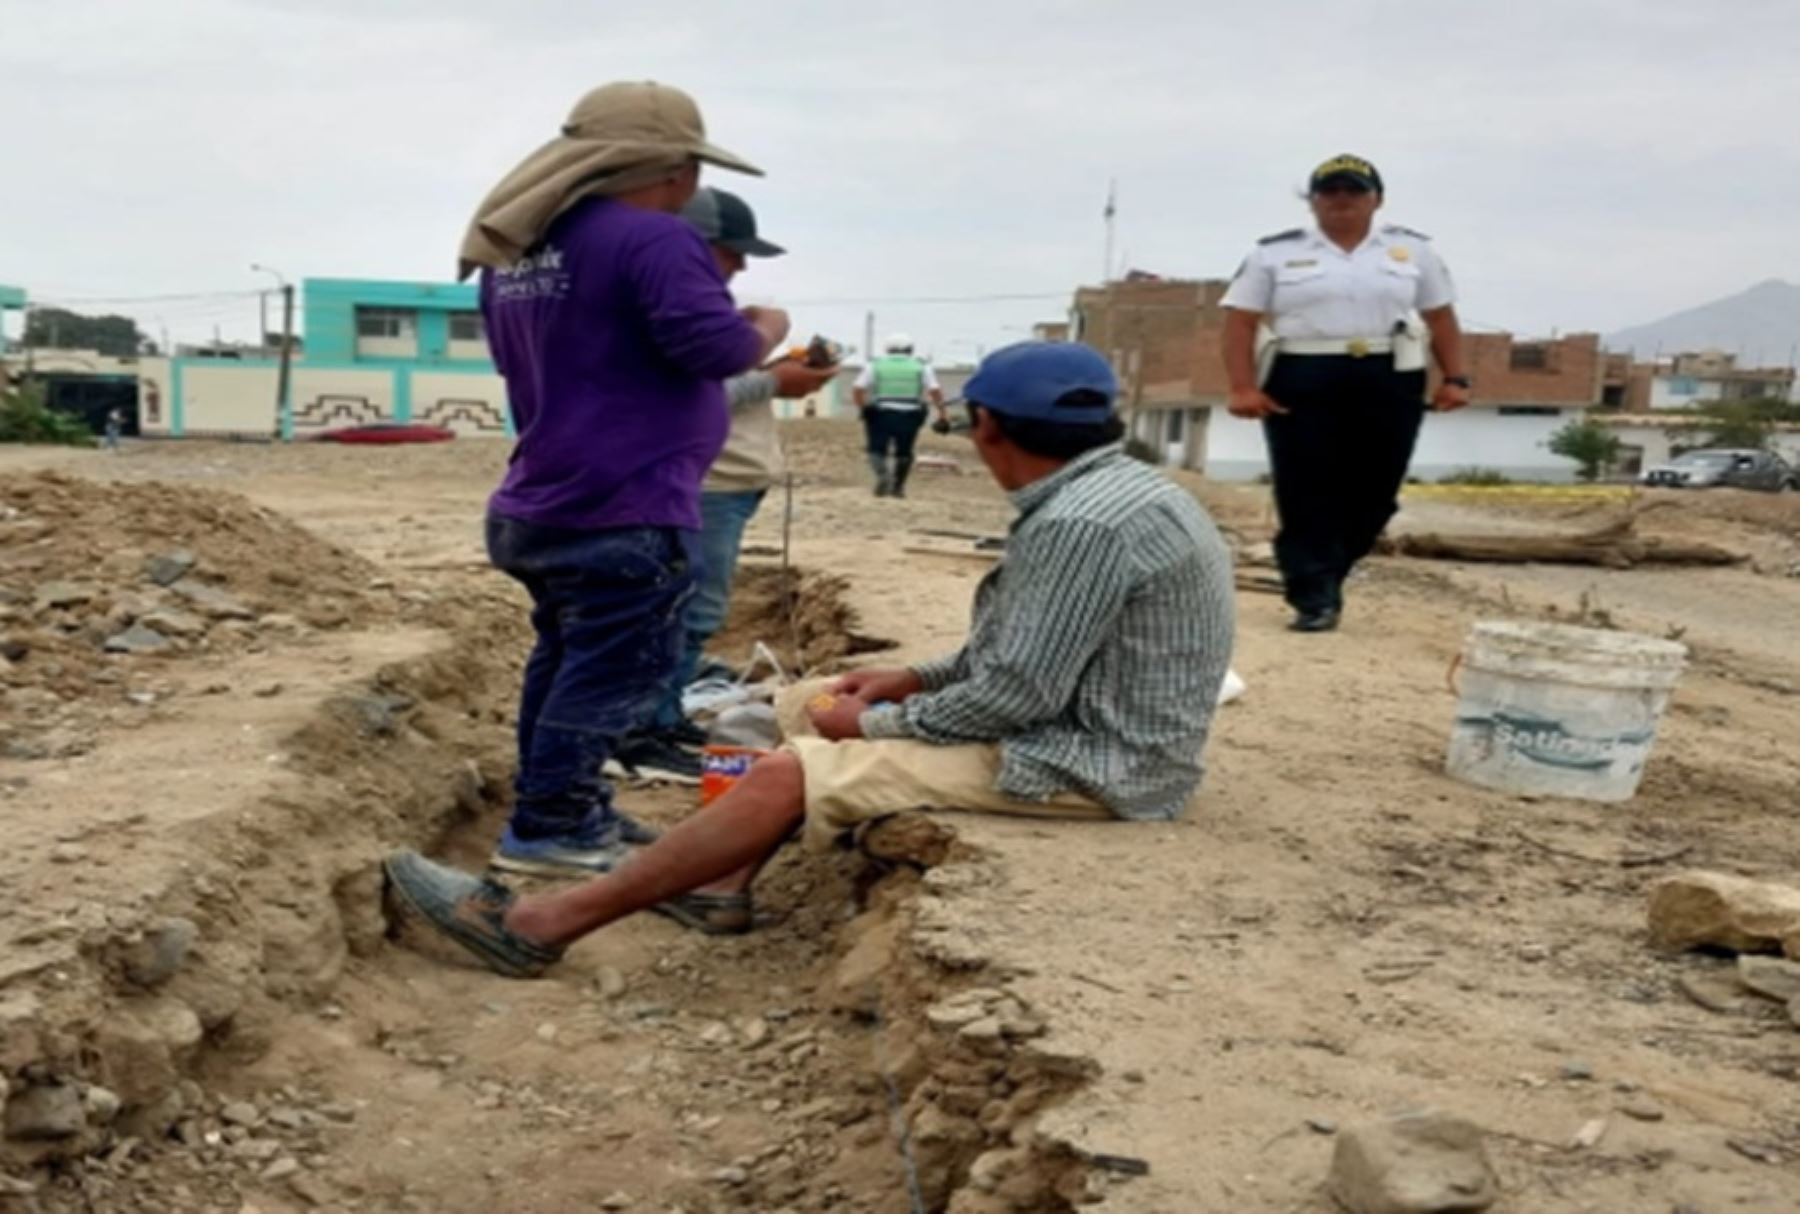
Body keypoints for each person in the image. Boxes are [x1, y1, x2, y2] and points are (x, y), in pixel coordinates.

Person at [382, 341, 1237, 974]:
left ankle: (537, 927)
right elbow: (1025, 648)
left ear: (984, 426)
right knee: (801, 704)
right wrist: (909, 679)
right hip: (1076, 722)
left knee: (794, 769)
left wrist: (881, 722)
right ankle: (717, 882)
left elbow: (1017, 692)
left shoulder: (1079, 524)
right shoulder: (1111, 493)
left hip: (1096, 763)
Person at [457, 81, 791, 879]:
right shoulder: (654, 239)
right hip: (625, 502)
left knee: (566, 658)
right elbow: (715, 351)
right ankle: (551, 829)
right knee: (611, 670)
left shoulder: (521, 253)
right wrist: (767, 328)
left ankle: (556, 806)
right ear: (673, 170)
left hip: (545, 499)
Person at [630, 187, 838, 764]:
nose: (740, 266)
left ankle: (659, 722)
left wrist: (772, 370)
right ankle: (643, 733)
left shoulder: (689, 309)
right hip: (706, 484)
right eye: (731, 251)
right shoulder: (660, 311)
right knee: (688, 612)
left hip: (724, 482)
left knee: (692, 610)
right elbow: (684, 400)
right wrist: (775, 382)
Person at [1220, 154, 1470, 633]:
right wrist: (1242, 386)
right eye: (1330, 191)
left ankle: (1328, 569)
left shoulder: (1412, 251)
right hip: (1304, 371)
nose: (1341, 201)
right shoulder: (1272, 253)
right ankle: (1314, 594)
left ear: (1376, 199)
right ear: (1313, 201)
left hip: (1388, 372)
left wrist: (1456, 377)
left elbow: (1440, 317)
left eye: (1353, 191)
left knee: (1377, 491)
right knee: (1305, 486)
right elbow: (1239, 322)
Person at [852, 335, 947, 497]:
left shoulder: (874, 365)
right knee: (904, 452)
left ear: (887, 349)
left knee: (876, 450)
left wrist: (863, 407)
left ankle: (883, 476)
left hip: (881, 413)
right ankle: (898, 487)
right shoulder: (922, 366)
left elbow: (858, 388)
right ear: (910, 350)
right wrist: (942, 413)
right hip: (910, 413)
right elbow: (934, 391)